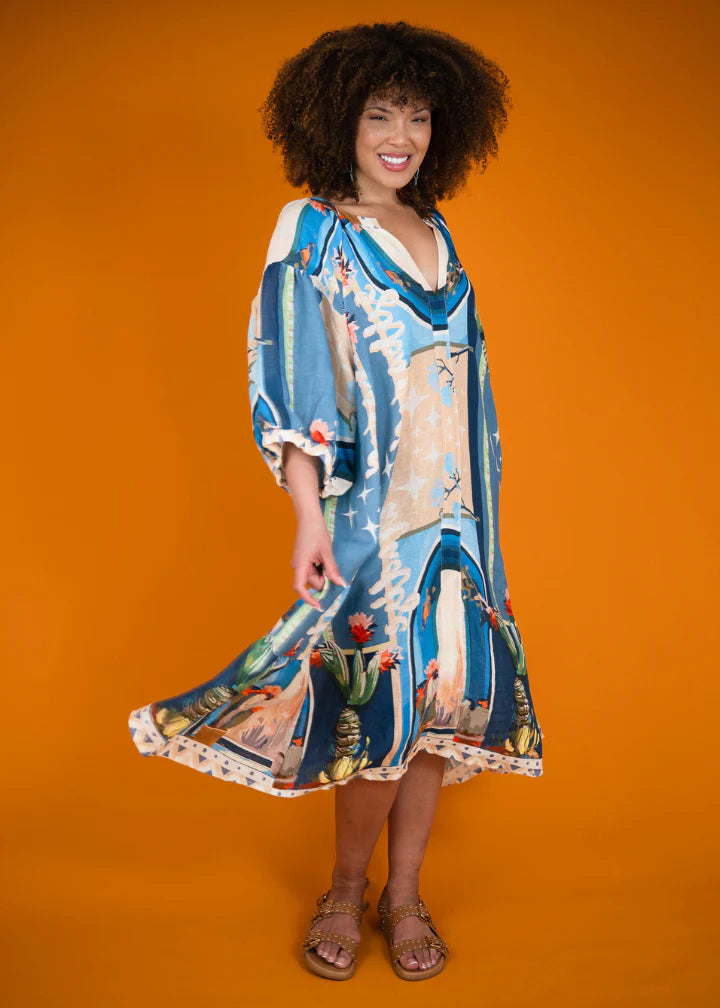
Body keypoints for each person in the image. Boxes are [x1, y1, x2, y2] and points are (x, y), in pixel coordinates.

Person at [129, 20, 544, 982]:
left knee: (441, 708)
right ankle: (345, 891)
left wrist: (479, 515)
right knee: (378, 712)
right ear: (339, 122)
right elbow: (297, 381)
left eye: (419, 117)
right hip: (371, 525)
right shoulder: (310, 229)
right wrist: (310, 518)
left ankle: (406, 895)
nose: (401, 136)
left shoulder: (437, 229)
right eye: (380, 115)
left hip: (461, 523)